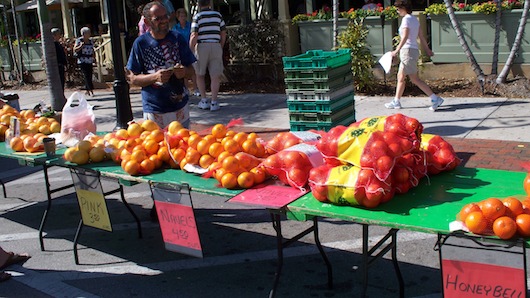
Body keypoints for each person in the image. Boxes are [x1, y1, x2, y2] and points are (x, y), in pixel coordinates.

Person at [126, 1, 196, 129]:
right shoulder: (141, 43)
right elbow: (132, 78)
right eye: (157, 18)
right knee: (157, 148)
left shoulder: (177, 38)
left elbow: (191, 70)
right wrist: (155, 77)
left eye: (165, 16)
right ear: (147, 22)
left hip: (180, 108)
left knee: (183, 147)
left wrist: (184, 72)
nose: (164, 20)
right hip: (154, 110)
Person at [385, 0, 444, 111]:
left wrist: (396, 51)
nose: (398, 12)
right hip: (412, 51)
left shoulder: (406, 20)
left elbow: (405, 37)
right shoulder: (414, 20)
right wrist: (427, 50)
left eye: (398, 9)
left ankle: (435, 98)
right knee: (401, 77)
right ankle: (396, 101)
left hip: (407, 51)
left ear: (403, 8)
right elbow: (421, 37)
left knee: (413, 79)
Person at [190, 0, 227, 111]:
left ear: (199, 5)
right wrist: (220, 45)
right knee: (215, 76)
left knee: (199, 74)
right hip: (216, 45)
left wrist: (191, 49)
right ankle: (214, 102)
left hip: (202, 46)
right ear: (210, 4)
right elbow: (223, 32)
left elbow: (194, 34)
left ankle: (204, 100)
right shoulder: (218, 15)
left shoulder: (198, 17)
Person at [173, 8, 200, 97]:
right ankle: (186, 89)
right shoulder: (175, 28)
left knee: (194, 70)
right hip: (181, 50)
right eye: (181, 16)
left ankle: (196, 88)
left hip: (191, 49)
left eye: (184, 16)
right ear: (178, 17)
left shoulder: (190, 26)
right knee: (183, 70)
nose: (183, 18)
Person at [74, 27, 95, 97]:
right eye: (88, 33)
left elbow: (92, 50)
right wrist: (81, 46)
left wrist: (94, 58)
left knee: (89, 75)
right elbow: (75, 49)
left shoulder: (90, 41)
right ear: (83, 34)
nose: (89, 34)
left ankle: (87, 89)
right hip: (82, 60)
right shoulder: (79, 40)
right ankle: (90, 90)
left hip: (89, 60)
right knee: (86, 75)